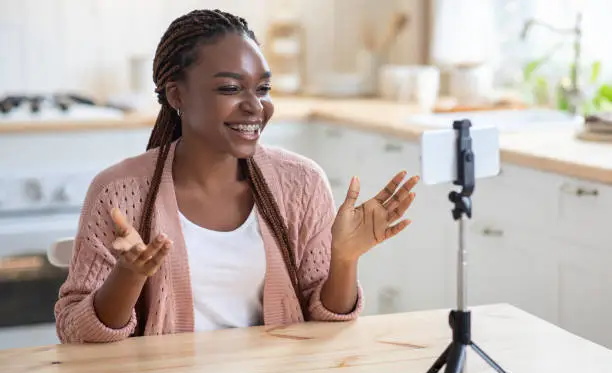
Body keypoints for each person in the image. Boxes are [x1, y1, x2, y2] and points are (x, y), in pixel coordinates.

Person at [54, 9, 419, 344]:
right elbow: (75, 332)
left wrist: (344, 259)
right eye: (230, 88)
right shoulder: (119, 192)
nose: (255, 105)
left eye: (262, 89)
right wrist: (128, 276)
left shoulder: (301, 182)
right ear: (177, 94)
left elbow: (325, 331)